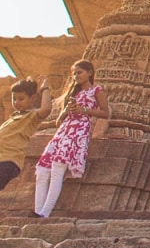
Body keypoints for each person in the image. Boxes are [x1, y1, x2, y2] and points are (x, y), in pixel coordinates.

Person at [35, 60, 110, 217]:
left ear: (90, 73)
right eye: (74, 73)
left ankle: (45, 213)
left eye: (79, 72)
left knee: (57, 169)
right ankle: (37, 211)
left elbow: (105, 113)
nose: (76, 76)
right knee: (42, 171)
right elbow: (58, 122)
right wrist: (65, 111)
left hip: (79, 130)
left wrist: (84, 110)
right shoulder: (72, 93)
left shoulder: (96, 90)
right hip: (63, 131)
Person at [0, 77, 53, 191]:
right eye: (14, 98)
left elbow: (46, 110)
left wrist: (45, 89)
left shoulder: (31, 115)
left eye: (21, 98)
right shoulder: (16, 117)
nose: (16, 102)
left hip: (8, 161)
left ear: (32, 98)